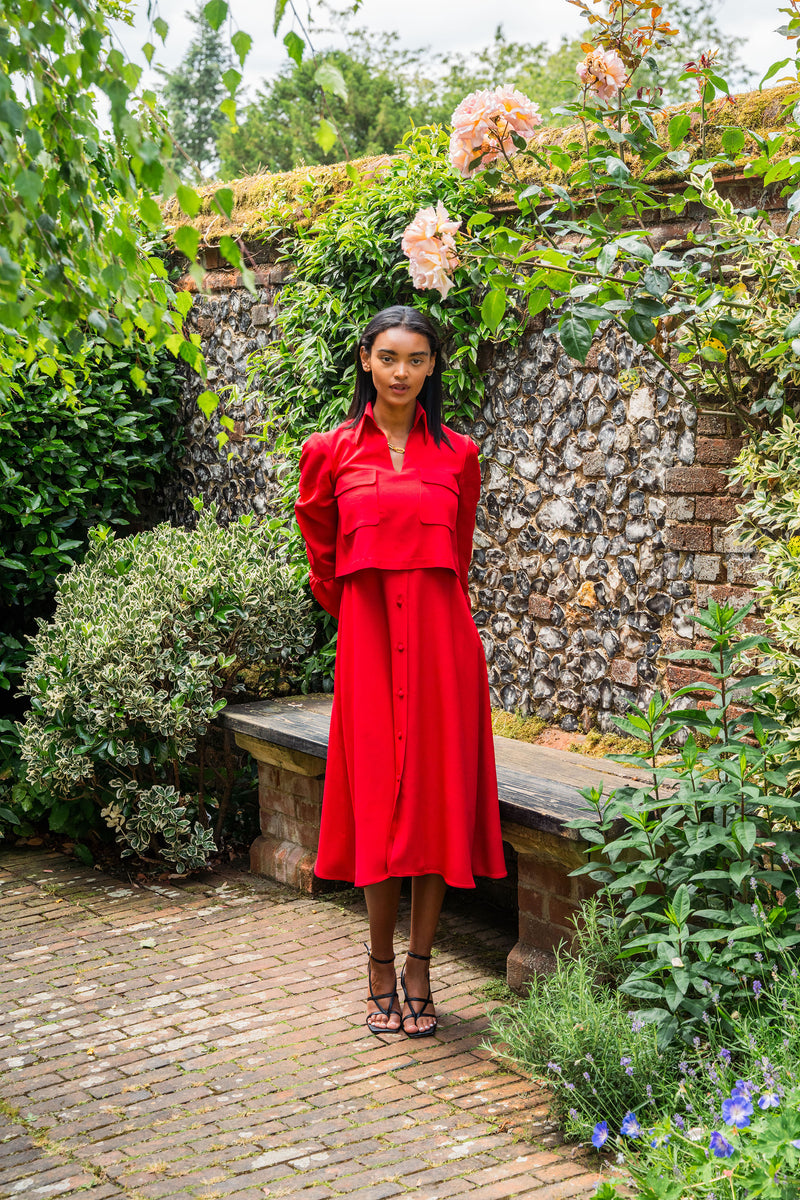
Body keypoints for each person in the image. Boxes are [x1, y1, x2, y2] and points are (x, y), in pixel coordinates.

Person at [295, 306, 506, 1038]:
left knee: (434, 802)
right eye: (388, 356)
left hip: (444, 646)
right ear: (364, 360)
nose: (401, 371)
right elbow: (321, 552)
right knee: (377, 799)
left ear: (432, 367)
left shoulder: (459, 455)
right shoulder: (327, 451)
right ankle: (378, 963)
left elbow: (460, 550)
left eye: (416, 359)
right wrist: (363, 608)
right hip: (369, 642)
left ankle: (420, 964)